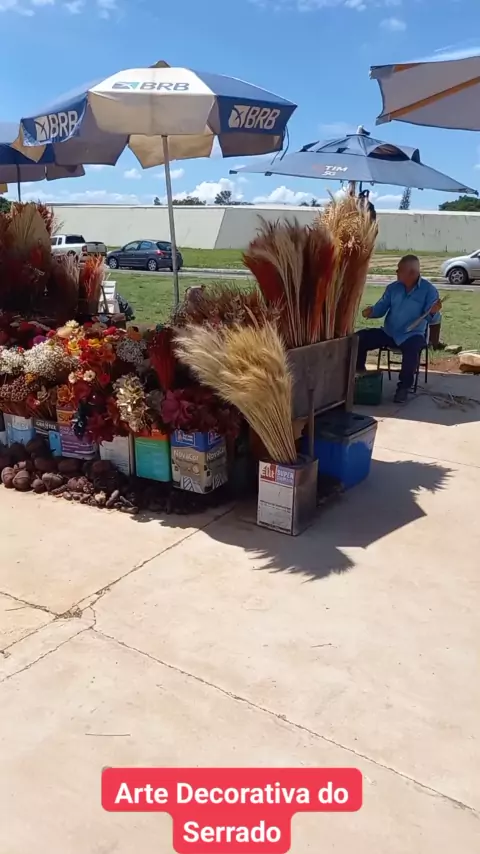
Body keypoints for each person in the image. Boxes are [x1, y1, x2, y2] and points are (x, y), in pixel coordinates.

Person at [357, 254, 442, 404]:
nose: (396, 272)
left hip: (412, 334)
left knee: (412, 350)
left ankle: (403, 388)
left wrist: (434, 312)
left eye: (400, 270)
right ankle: (359, 374)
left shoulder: (429, 291)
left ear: (412, 273)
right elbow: (381, 308)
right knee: (359, 338)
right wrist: (371, 312)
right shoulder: (393, 288)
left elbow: (432, 319)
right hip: (389, 332)